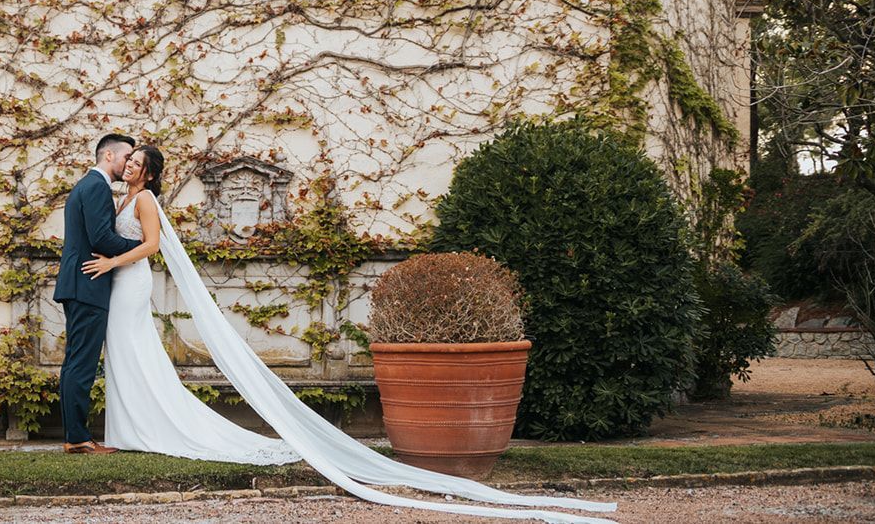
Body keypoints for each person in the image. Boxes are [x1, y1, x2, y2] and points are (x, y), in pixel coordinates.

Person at [77, 144, 621, 524]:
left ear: (150, 173)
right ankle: (129, 429)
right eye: (129, 160)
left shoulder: (144, 201)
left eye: (139, 162)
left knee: (135, 352)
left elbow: (150, 248)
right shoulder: (119, 196)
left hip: (130, 280)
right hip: (119, 280)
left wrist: (110, 264)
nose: (130, 165)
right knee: (126, 356)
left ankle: (146, 428)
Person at [52, 132, 137, 453]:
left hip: (80, 284)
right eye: (127, 157)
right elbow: (102, 238)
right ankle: (77, 439)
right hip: (88, 283)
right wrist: (142, 247)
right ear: (109, 156)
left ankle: (75, 436)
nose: (129, 163)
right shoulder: (97, 187)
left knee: (77, 361)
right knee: (82, 364)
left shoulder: (87, 185)